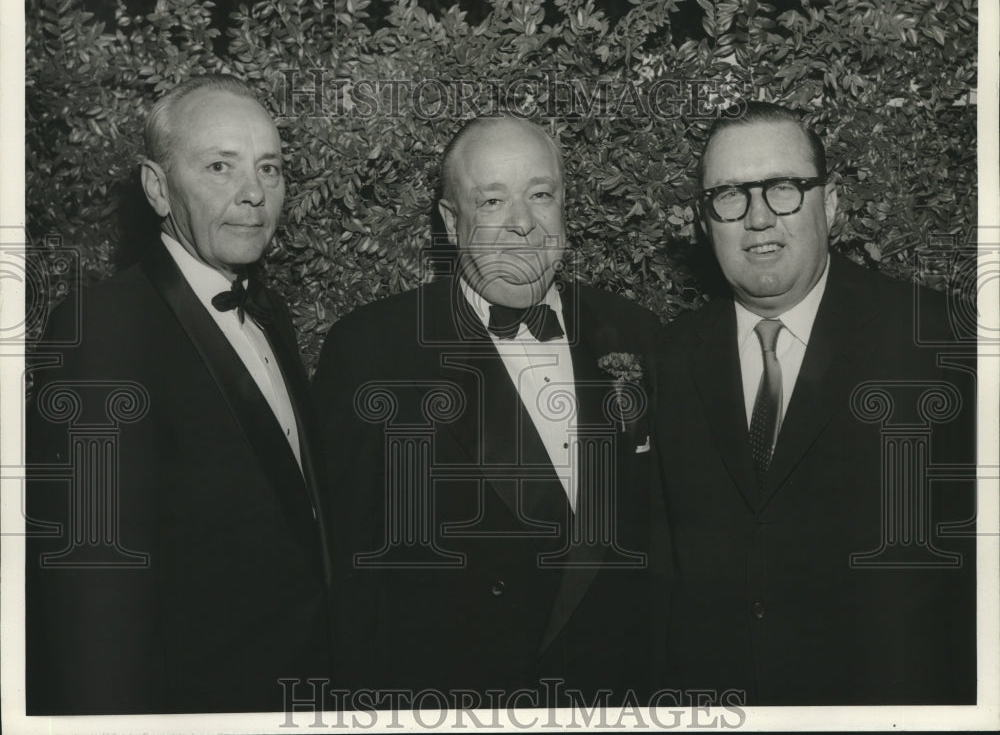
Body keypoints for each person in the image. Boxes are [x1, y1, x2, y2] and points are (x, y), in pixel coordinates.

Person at [313, 115, 666, 707]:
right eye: (493, 200)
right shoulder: (375, 350)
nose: (523, 224)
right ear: (453, 224)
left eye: (540, 195)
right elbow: (346, 579)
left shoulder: (634, 332)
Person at [25, 75, 332, 714]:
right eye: (220, 166)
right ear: (158, 188)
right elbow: (90, 598)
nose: (253, 194)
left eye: (269, 169)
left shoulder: (270, 314)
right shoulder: (104, 329)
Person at [654, 101, 976, 705]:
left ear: (831, 203)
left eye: (783, 188)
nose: (757, 218)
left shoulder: (939, 344)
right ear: (704, 222)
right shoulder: (669, 359)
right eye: (729, 195)